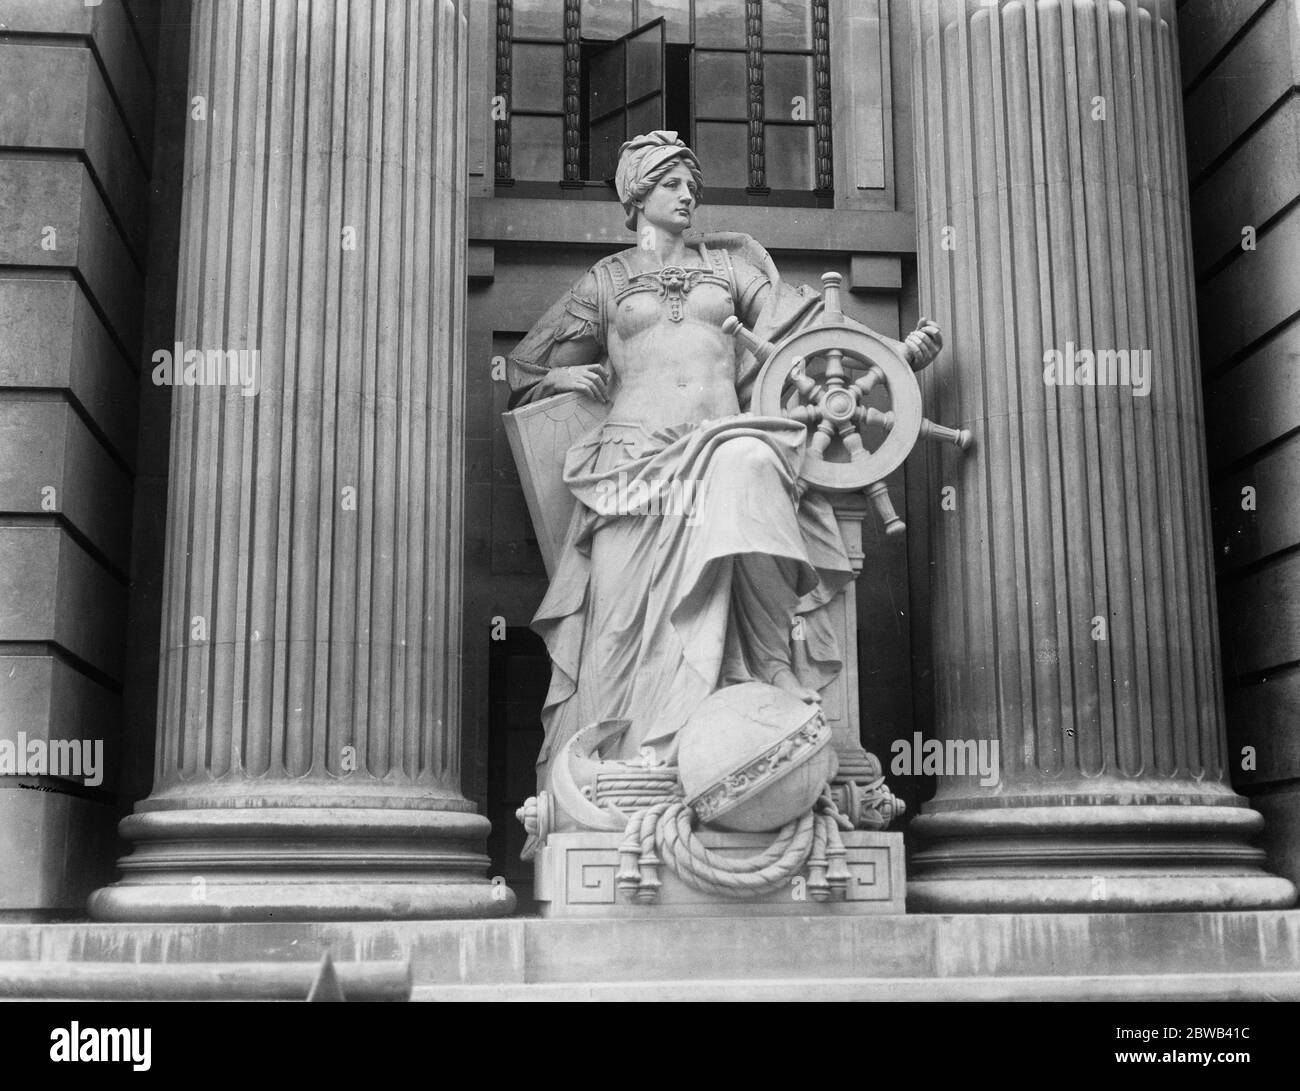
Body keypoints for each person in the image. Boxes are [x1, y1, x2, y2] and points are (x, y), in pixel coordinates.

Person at [508, 131, 856, 789]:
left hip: (722, 444)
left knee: (751, 462)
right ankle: (619, 767)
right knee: (612, 631)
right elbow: (526, 368)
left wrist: (868, 366)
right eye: (672, 182)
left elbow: (803, 340)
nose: (688, 193)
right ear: (637, 193)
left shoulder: (731, 272)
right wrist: (559, 382)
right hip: (630, 465)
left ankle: (767, 665)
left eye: (692, 184)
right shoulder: (607, 281)